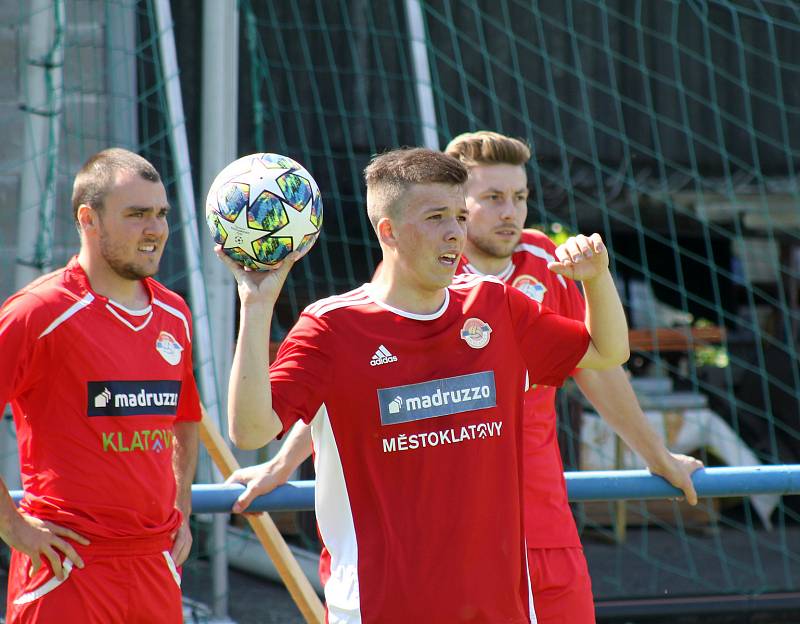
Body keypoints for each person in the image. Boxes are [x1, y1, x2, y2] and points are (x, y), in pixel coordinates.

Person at [227, 134, 706, 623]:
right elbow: (262, 427)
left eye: (459, 216)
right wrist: (256, 306)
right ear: (389, 232)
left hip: (506, 587)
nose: (455, 232)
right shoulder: (334, 325)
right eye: (438, 218)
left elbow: (606, 355)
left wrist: (597, 280)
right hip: (381, 604)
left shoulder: (499, 305)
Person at [0, 148, 200, 623]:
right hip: (66, 565)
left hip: (155, 563)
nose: (155, 229)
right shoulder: (37, 312)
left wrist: (182, 507)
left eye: (161, 214)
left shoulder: (175, 313)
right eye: (136, 215)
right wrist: (14, 528)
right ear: (88, 219)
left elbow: (185, 419)